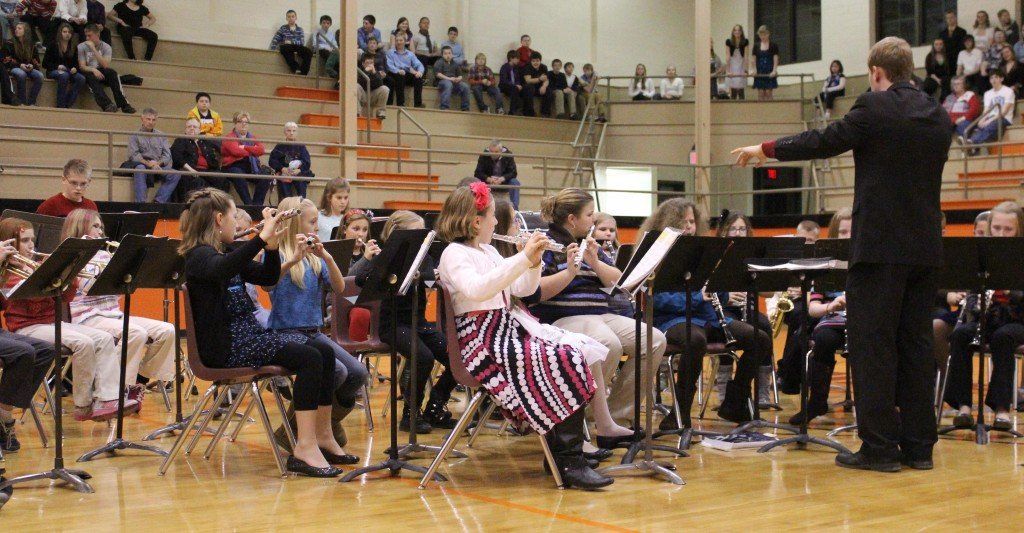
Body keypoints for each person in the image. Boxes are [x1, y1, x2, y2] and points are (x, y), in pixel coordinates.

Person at [732, 36, 951, 472]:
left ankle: (880, 449)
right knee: (915, 344)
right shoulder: (938, 115)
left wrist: (767, 149)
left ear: (876, 72)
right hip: (925, 249)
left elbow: (824, 140)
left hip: (879, 248)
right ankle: (919, 449)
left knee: (873, 346)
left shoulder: (874, 105)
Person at [436, 184, 614, 489]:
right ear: (476, 221)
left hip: (503, 331)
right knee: (561, 358)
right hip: (481, 341)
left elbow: (523, 289)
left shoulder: (488, 250)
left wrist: (532, 262)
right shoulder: (454, 254)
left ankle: (565, 454)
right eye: (491, 216)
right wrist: (521, 260)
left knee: (572, 351)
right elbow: (478, 289)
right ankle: (568, 459)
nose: (495, 223)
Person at [180, 189, 348, 477]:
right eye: (234, 217)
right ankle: (304, 447)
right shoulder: (197, 256)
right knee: (309, 358)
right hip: (226, 348)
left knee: (323, 351)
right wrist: (259, 238)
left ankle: (321, 436)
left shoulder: (228, 251)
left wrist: (270, 247)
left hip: (249, 338)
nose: (237, 224)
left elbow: (267, 277)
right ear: (219, 219)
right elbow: (221, 270)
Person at [527, 188, 667, 431]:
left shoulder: (591, 244)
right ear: (572, 219)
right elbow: (537, 292)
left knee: (654, 339)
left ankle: (615, 417)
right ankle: (586, 420)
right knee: (606, 345)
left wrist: (595, 262)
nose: (594, 220)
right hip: (562, 318)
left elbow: (618, 282)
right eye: (590, 215)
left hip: (601, 315)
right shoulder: (546, 245)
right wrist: (569, 272)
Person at [645, 199, 769, 427]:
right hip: (673, 320)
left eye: (692, 221)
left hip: (708, 318)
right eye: (684, 222)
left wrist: (716, 290)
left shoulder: (702, 250)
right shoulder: (658, 252)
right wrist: (695, 297)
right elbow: (658, 298)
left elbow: (715, 291)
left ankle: (735, 400)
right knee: (695, 339)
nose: (690, 227)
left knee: (759, 338)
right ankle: (680, 412)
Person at [0, 217, 134, 422]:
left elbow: (64, 299)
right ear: (9, 243)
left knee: (103, 338)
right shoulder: (7, 272)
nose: (31, 245)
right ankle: (83, 405)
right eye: (25, 240)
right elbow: (23, 301)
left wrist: (70, 278)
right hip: (26, 328)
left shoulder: (37, 266)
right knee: (83, 343)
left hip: (52, 323)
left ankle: (108, 399)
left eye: (32, 239)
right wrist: (46, 277)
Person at [265, 197, 366, 461]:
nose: (316, 229)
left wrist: (327, 257)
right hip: (286, 332)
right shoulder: (276, 253)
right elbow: (267, 284)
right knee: (336, 371)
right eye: (312, 223)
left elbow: (340, 288)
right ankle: (314, 433)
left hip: (313, 331)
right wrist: (292, 260)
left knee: (357, 373)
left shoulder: (314, 258)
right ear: (294, 224)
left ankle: (318, 429)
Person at [354, 211, 456, 432]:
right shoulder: (388, 256)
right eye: (415, 233)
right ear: (397, 233)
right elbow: (361, 280)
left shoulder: (423, 256)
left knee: (457, 359)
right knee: (423, 357)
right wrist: (376, 262)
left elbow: (429, 278)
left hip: (418, 323)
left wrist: (428, 274)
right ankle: (410, 414)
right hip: (393, 325)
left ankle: (436, 405)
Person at [63, 209, 176, 406]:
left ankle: (140, 380)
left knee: (167, 331)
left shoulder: (105, 255)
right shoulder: (75, 255)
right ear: (80, 227)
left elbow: (120, 291)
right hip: (88, 317)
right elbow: (88, 288)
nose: (101, 232)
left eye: (101, 227)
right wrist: (113, 266)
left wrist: (131, 263)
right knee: (134, 333)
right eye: (96, 226)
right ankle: (115, 390)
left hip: (112, 314)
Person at [944, 201, 1024, 432]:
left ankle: (1001, 410)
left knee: (1003, 337)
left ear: (1019, 229)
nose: (1001, 234)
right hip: (988, 317)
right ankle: (964, 407)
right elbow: (969, 288)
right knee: (960, 335)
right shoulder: (982, 253)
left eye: (1008, 230)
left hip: (1017, 320)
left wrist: (1011, 292)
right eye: (997, 228)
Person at [787, 208, 852, 425]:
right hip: (833, 321)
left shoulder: (869, 265)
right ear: (834, 235)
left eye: (852, 231)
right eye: (843, 232)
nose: (848, 237)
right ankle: (817, 402)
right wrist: (830, 307)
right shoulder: (826, 265)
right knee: (822, 338)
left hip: (860, 323)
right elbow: (812, 308)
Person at [121, 108, 179, 203]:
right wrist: (149, 164)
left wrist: (158, 164)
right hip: (142, 164)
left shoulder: (161, 135)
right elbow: (133, 155)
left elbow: (167, 155)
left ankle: (158, 201)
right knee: (140, 168)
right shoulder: (134, 135)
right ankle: (140, 203)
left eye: (153, 120)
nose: (151, 122)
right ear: (142, 119)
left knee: (176, 174)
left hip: (157, 165)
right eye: (148, 119)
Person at [78, 23, 134, 113]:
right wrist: (93, 69)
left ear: (98, 35)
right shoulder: (81, 46)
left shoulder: (106, 47)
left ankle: (124, 105)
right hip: (88, 71)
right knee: (91, 78)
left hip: (101, 70)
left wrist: (93, 49)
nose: (87, 38)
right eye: (86, 36)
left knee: (112, 73)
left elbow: (105, 65)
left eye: (90, 36)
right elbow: (82, 66)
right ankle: (107, 105)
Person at [221, 111, 268, 206]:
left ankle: (257, 205)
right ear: (235, 123)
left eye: (246, 122)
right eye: (240, 121)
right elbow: (236, 152)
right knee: (238, 175)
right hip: (232, 165)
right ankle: (249, 204)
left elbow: (261, 150)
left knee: (266, 177)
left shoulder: (252, 137)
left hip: (250, 167)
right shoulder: (230, 137)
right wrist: (252, 150)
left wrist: (244, 147)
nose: (243, 124)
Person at [962, 69, 1015, 154]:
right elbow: (986, 111)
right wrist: (981, 120)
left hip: (1004, 119)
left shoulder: (1008, 91)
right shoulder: (987, 93)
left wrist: (989, 121)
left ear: (1001, 79)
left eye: (996, 77)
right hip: (990, 118)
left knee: (991, 125)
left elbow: (1004, 112)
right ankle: (972, 147)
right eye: (991, 78)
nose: (993, 80)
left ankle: (971, 143)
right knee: (977, 127)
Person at [171, 117, 224, 197]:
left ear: (199, 130)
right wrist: (191, 170)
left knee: (222, 179)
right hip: (190, 171)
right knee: (198, 182)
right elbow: (177, 157)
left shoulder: (205, 142)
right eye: (189, 127)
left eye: (194, 127)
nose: (192, 129)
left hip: (207, 171)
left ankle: (217, 205)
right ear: (185, 129)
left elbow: (213, 158)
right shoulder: (180, 140)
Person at [43, 21, 85, 107]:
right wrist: (57, 66)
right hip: (53, 70)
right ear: (60, 33)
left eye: (69, 32)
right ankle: (60, 105)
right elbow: (45, 63)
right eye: (65, 32)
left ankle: (67, 104)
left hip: (68, 71)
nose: (67, 34)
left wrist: (75, 68)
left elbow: (77, 63)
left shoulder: (73, 46)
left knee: (81, 78)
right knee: (64, 76)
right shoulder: (53, 44)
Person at [268, 122, 313, 199]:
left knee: (301, 185)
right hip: (284, 173)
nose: (291, 133)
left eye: (294, 131)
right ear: (285, 132)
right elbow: (272, 160)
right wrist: (282, 168)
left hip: (298, 173)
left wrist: (299, 170)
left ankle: (301, 206)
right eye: (289, 130)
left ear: (297, 133)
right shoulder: (280, 146)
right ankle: (287, 208)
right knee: (284, 189)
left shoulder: (301, 147)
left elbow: (307, 162)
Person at [3, 21, 42, 105]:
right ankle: (22, 102)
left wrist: (32, 66)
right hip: (13, 67)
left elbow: (37, 61)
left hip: (27, 68)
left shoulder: (32, 45)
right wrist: (20, 65)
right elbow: (6, 60)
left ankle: (32, 102)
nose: (16, 30)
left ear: (26, 31)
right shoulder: (9, 43)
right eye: (16, 28)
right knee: (21, 74)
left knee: (40, 76)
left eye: (19, 28)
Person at [473, 140, 520, 209]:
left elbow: (513, 173)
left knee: (515, 182)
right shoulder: (484, 155)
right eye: (491, 152)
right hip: (488, 181)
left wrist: (502, 178)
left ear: (501, 151)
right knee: (476, 182)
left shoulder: (508, 155)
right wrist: (488, 179)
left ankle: (515, 208)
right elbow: (477, 173)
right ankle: (478, 207)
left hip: (504, 181)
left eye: (496, 152)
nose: (493, 154)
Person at [384, 33, 424, 108]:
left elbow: (419, 64)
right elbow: (389, 66)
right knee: (400, 76)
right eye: (397, 40)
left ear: (405, 42)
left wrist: (420, 72)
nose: (399, 42)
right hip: (394, 73)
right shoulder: (390, 52)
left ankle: (418, 105)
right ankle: (400, 104)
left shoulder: (410, 54)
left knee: (418, 79)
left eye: (401, 40)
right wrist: (399, 70)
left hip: (406, 73)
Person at [270, 10, 312, 75]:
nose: (291, 18)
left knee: (308, 51)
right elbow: (275, 39)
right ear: (286, 18)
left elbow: (301, 42)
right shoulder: (283, 28)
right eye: (289, 17)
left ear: (296, 18)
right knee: (284, 48)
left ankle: (304, 72)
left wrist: (291, 42)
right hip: (287, 47)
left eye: (293, 16)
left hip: (296, 46)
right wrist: (272, 50)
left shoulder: (300, 29)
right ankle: (295, 68)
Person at [434, 45, 469, 111]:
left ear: (452, 54)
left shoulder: (455, 63)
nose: (448, 55)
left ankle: (465, 108)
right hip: (442, 82)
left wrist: (458, 79)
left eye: (449, 53)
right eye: (445, 53)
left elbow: (460, 75)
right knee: (448, 84)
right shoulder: (439, 62)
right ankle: (444, 107)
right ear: (442, 55)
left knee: (465, 86)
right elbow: (438, 74)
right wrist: (450, 79)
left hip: (453, 82)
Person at [315, 177, 349, 242]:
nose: (343, 201)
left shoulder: (348, 218)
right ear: (329, 197)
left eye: (346, 197)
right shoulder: (318, 216)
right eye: (339, 198)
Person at [356, 53, 388, 119]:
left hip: (372, 95)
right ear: (363, 64)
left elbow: (380, 84)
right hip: (362, 95)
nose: (370, 65)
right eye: (367, 62)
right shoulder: (358, 71)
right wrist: (365, 71)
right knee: (356, 86)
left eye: (371, 63)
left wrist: (374, 73)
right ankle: (357, 112)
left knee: (385, 89)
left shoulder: (376, 72)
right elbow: (360, 82)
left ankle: (380, 112)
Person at [752, 25, 779, 100]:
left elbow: (775, 58)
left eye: (764, 35)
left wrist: (774, 70)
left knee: (768, 93)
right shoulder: (756, 45)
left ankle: (770, 110)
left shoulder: (773, 45)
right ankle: (761, 111)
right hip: (760, 71)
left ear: (768, 34)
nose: (762, 37)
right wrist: (754, 69)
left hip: (769, 71)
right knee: (760, 93)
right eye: (761, 35)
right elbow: (753, 59)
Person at [521, 51, 552, 116]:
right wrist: (539, 79)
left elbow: (546, 80)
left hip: (539, 88)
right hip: (527, 87)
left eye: (537, 61)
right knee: (529, 87)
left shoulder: (544, 67)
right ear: (530, 61)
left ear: (540, 61)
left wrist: (544, 86)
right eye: (533, 61)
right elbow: (528, 80)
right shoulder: (527, 67)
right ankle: (529, 112)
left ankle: (545, 113)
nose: (535, 63)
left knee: (548, 90)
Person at [725, 24, 749, 100]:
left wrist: (745, 70)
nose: (737, 32)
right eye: (735, 30)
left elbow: (746, 56)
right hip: (732, 65)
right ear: (733, 32)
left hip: (741, 65)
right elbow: (728, 56)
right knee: (733, 91)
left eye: (739, 30)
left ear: (741, 32)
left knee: (741, 91)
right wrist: (728, 71)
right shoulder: (728, 42)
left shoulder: (745, 42)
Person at [498, 49, 522, 115]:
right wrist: (514, 85)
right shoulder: (504, 67)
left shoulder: (516, 68)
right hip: (504, 86)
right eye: (517, 58)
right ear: (511, 58)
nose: (518, 60)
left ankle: (519, 110)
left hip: (513, 87)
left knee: (519, 89)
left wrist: (518, 85)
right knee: (515, 89)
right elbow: (504, 80)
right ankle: (512, 111)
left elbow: (517, 79)